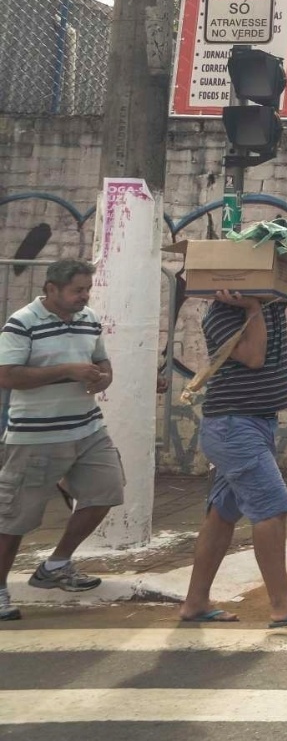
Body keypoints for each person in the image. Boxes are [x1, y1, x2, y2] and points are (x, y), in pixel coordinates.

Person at [176, 247, 287, 628]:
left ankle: (195, 603)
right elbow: (254, 357)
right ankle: (282, 601)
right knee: (272, 506)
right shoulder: (221, 315)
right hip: (233, 426)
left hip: (254, 424)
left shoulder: (273, 298)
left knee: (222, 514)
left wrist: (283, 243)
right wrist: (250, 308)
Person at [0, 260, 123, 622]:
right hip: (36, 435)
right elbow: (7, 376)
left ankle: (56, 564)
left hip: (87, 429)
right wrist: (67, 371)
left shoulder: (89, 319)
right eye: (77, 290)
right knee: (14, 519)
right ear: (51, 289)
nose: (84, 297)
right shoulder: (22, 323)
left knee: (106, 491)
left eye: (87, 289)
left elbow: (102, 362)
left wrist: (103, 378)